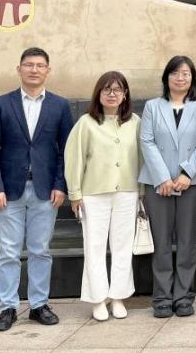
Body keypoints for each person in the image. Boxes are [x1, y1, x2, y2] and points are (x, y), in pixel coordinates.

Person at [0, 47, 74, 332]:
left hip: (46, 191)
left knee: (40, 250)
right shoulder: (1, 104)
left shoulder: (60, 106)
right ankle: (7, 307)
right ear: (19, 68)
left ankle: (38, 305)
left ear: (48, 70)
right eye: (29, 64)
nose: (34, 69)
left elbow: (66, 150)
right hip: (8, 191)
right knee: (8, 251)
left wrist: (61, 184)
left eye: (40, 65)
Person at [139, 55, 196, 319]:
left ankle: (183, 296)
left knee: (186, 241)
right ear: (166, 77)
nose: (180, 78)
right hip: (158, 184)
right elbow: (146, 141)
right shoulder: (152, 106)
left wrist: (186, 173)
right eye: (175, 73)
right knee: (160, 242)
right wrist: (163, 178)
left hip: (190, 183)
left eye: (186, 74)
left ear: (192, 79)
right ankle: (161, 297)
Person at [65, 72, 141, 322]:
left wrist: (142, 193)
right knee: (94, 247)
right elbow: (74, 159)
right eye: (106, 89)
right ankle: (97, 298)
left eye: (117, 90)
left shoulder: (135, 122)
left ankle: (117, 296)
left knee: (122, 247)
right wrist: (75, 193)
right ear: (98, 93)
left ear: (125, 94)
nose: (112, 94)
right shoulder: (86, 123)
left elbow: (141, 158)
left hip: (127, 192)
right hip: (93, 194)